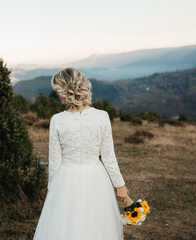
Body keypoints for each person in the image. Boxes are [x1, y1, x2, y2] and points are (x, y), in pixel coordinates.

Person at [33, 68, 129, 240]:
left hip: (66, 180)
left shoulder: (57, 120)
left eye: (58, 91)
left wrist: (53, 191)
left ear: (66, 92)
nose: (58, 96)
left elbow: (54, 162)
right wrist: (119, 185)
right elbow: (108, 157)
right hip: (96, 179)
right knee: (97, 227)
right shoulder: (102, 116)